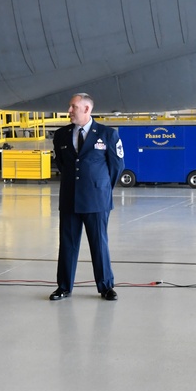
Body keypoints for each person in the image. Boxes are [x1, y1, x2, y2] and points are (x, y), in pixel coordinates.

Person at [50, 93, 124, 301]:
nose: (69, 111)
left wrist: (100, 187)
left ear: (87, 109)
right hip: (70, 198)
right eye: (70, 107)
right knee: (67, 244)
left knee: (99, 243)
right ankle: (63, 287)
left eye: (73, 107)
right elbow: (63, 165)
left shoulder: (107, 134)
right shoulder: (61, 135)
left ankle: (106, 286)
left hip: (97, 199)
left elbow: (116, 167)